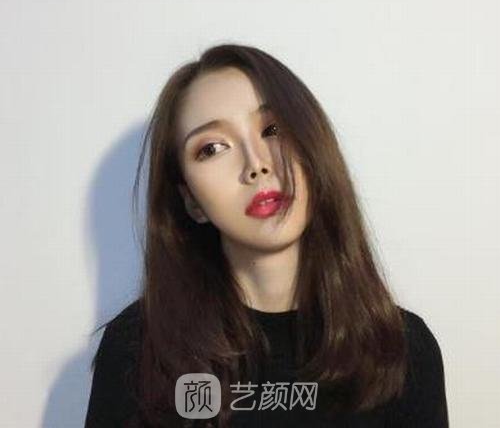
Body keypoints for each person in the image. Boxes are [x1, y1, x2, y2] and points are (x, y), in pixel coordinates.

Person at [84, 44, 449, 427]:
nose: (256, 165)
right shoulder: (138, 350)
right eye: (212, 148)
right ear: (190, 199)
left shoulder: (402, 349)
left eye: (272, 130)